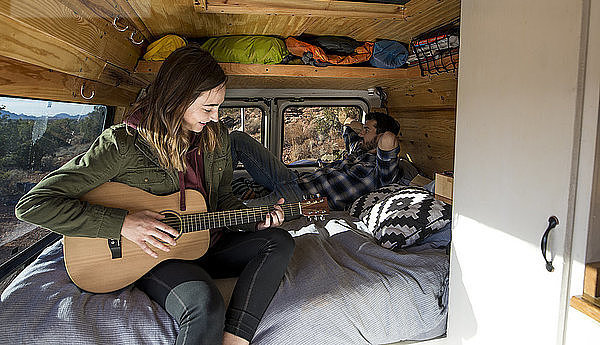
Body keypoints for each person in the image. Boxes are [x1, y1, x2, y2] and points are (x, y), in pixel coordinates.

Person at [15, 45, 294, 345]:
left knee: (279, 241)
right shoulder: (123, 145)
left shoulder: (218, 138)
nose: (216, 117)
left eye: (219, 107)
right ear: (178, 98)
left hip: (207, 240)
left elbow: (222, 199)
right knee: (205, 306)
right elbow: (33, 205)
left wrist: (254, 221)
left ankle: (236, 339)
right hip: (158, 255)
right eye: (208, 108)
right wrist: (123, 224)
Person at [230, 112, 401, 210]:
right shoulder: (358, 150)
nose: (361, 133)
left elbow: (389, 138)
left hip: (305, 200)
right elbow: (347, 126)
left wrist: (380, 134)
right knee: (238, 139)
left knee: (233, 214)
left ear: (379, 136)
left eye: (366, 130)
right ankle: (217, 192)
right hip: (292, 178)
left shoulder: (382, 172)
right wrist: (366, 127)